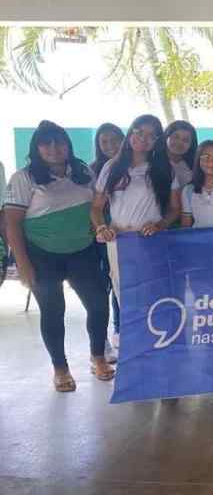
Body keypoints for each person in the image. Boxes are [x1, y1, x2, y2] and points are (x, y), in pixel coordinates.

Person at [3, 121, 114, 391]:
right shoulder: (23, 177)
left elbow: (94, 206)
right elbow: (11, 224)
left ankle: (98, 358)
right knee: (53, 312)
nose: (53, 149)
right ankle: (60, 368)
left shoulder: (83, 171)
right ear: (37, 147)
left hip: (83, 252)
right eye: (46, 143)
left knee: (99, 305)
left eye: (59, 142)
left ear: (68, 144)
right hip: (42, 256)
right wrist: (23, 264)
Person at [92, 115, 182, 309]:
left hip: (151, 241)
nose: (143, 138)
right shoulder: (111, 167)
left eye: (151, 135)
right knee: (124, 298)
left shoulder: (165, 169)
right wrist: (101, 228)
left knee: (153, 296)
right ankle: (128, 338)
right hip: (119, 241)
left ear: (157, 141)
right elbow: (96, 207)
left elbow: (175, 209)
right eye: (139, 132)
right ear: (131, 132)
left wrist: (160, 225)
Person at [89, 122, 125, 360]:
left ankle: (120, 331)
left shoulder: (131, 168)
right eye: (104, 141)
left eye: (115, 140)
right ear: (98, 145)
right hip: (102, 237)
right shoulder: (92, 171)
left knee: (121, 288)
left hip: (125, 237)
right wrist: (100, 228)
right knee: (102, 287)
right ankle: (100, 344)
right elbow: (93, 207)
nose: (110, 145)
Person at [164, 120, 198, 189]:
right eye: (175, 137)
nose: (179, 143)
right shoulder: (154, 162)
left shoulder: (194, 164)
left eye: (185, 140)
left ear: (191, 145)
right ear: (167, 137)